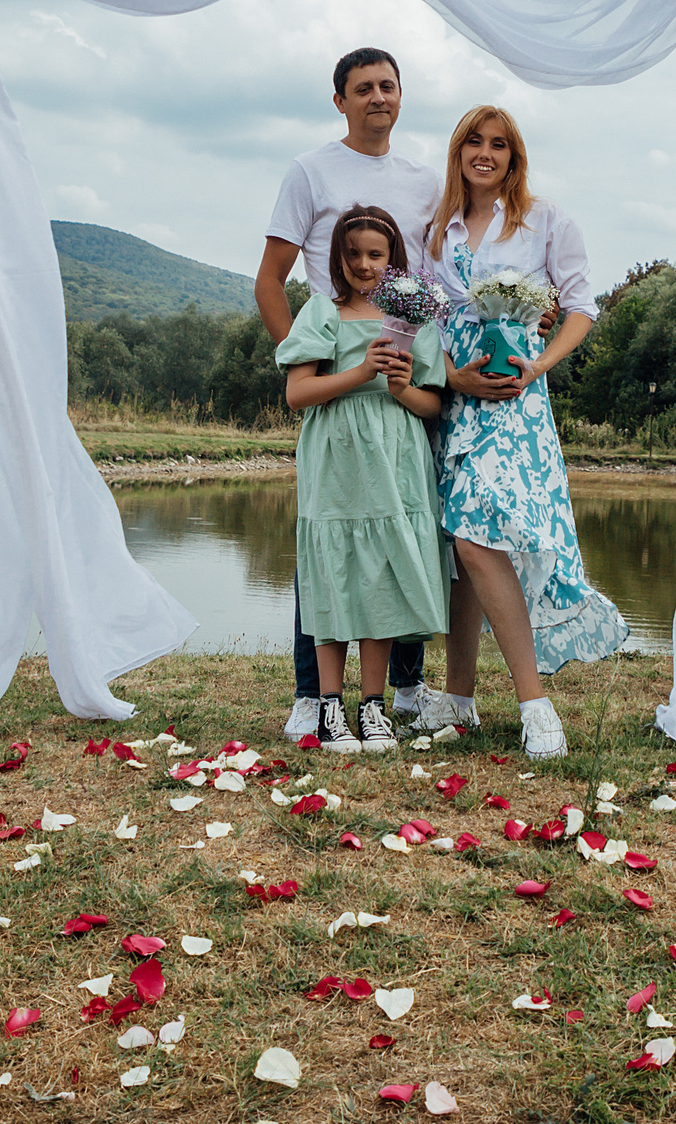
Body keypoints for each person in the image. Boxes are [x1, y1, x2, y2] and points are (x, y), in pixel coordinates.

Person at [414, 105, 629, 758]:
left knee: (481, 539)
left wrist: (537, 363)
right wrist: (451, 376)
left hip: (514, 402)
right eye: (474, 142)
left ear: (514, 155)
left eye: (498, 144)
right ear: (458, 151)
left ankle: (536, 707)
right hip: (458, 396)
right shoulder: (437, 230)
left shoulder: (545, 221)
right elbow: (420, 311)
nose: (485, 153)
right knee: (464, 545)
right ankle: (457, 699)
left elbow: (582, 307)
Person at [257, 47, 441, 740]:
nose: (377, 97)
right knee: (331, 541)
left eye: (388, 85)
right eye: (362, 87)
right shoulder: (311, 170)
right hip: (338, 379)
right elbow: (269, 278)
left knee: (398, 528)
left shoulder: (423, 181)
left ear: (401, 94)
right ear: (340, 99)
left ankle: (400, 688)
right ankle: (315, 694)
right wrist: (315, 353)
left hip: (397, 361)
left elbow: (432, 281)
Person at [274, 206, 449, 753]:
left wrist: (400, 387)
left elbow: (432, 404)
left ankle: (372, 706)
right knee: (334, 574)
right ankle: (330, 706)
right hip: (337, 461)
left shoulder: (414, 319)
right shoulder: (323, 311)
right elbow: (297, 394)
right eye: (354, 255)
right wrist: (359, 372)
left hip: (396, 461)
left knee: (380, 578)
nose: (365, 265)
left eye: (376, 254)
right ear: (338, 259)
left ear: (394, 259)